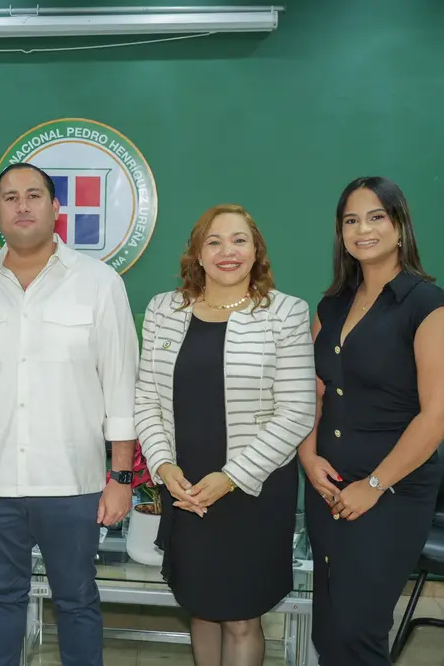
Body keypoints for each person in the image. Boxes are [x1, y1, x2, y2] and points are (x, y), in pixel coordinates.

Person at [0, 162, 139, 666]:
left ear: (57, 209)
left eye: (34, 195)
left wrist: (120, 476)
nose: (22, 205)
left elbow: (120, 385)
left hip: (73, 482)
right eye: (10, 197)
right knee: (1, 598)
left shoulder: (99, 283)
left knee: (75, 599)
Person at [134, 204, 316, 666]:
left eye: (239, 240)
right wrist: (164, 466)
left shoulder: (285, 313)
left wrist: (230, 477)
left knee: (240, 617)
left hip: (252, 490)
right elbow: (147, 401)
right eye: (213, 241)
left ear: (257, 252)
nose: (226, 251)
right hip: (185, 487)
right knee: (200, 607)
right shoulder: (163, 310)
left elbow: (297, 411)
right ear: (197, 253)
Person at [300, 176, 444, 666]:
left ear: (399, 227)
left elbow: (439, 416)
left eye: (376, 217)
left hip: (388, 493)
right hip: (326, 486)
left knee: (358, 632)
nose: (362, 229)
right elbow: (315, 389)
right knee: (329, 629)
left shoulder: (429, 307)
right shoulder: (331, 305)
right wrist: (308, 457)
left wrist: (373, 484)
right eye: (351, 220)